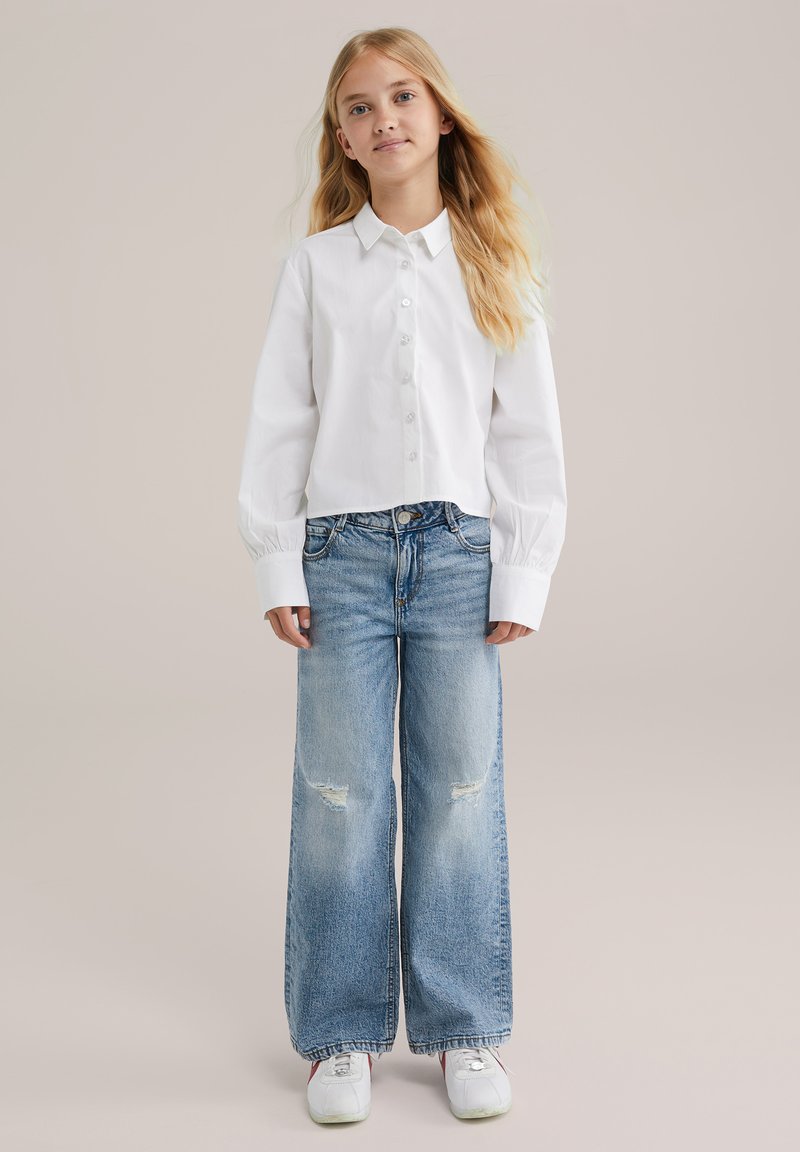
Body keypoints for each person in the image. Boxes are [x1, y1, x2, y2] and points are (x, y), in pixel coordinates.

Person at [237, 26, 567, 1124]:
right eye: (357, 107)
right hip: (340, 556)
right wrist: (275, 556)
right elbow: (281, 422)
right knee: (339, 797)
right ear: (340, 138)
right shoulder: (316, 267)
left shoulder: (492, 261)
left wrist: (519, 574)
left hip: (457, 557)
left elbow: (526, 434)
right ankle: (341, 1035)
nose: (382, 119)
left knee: (459, 793)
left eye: (400, 97)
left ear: (438, 113)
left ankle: (463, 1028)